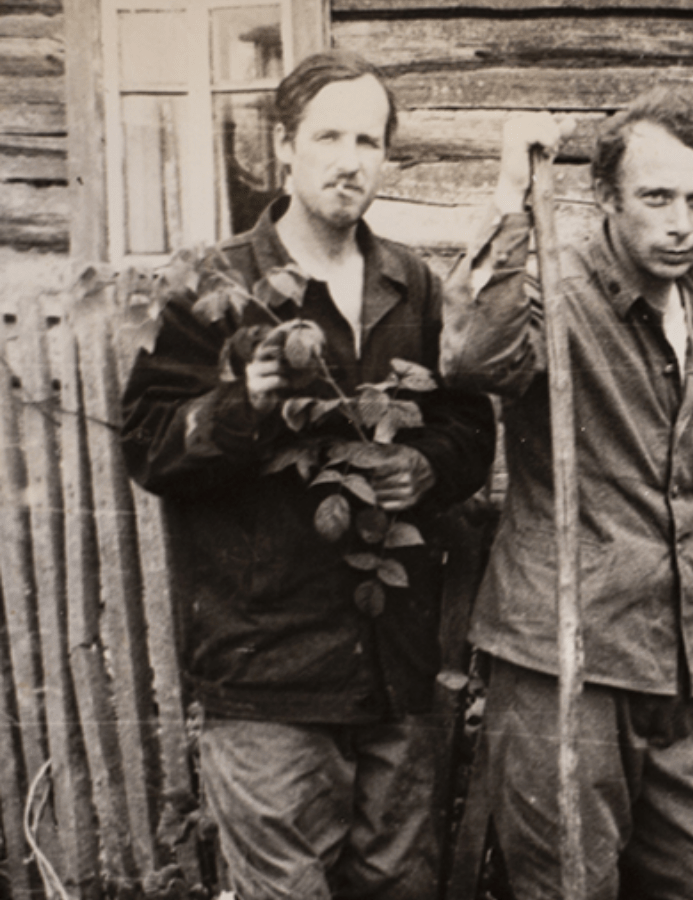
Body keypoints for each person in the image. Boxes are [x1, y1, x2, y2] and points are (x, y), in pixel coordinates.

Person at [440, 90, 693, 900]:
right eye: (657, 199)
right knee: (569, 886)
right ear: (607, 199)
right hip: (566, 654)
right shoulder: (560, 295)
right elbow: (477, 358)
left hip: (671, 652)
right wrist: (508, 198)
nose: (682, 224)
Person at [121, 50, 496, 900]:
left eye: (369, 138)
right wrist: (240, 407)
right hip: (267, 674)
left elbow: (468, 424)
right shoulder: (219, 290)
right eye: (329, 134)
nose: (350, 158)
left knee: (397, 885)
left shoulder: (413, 286)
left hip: (394, 661)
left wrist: (423, 466)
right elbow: (148, 446)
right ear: (284, 147)